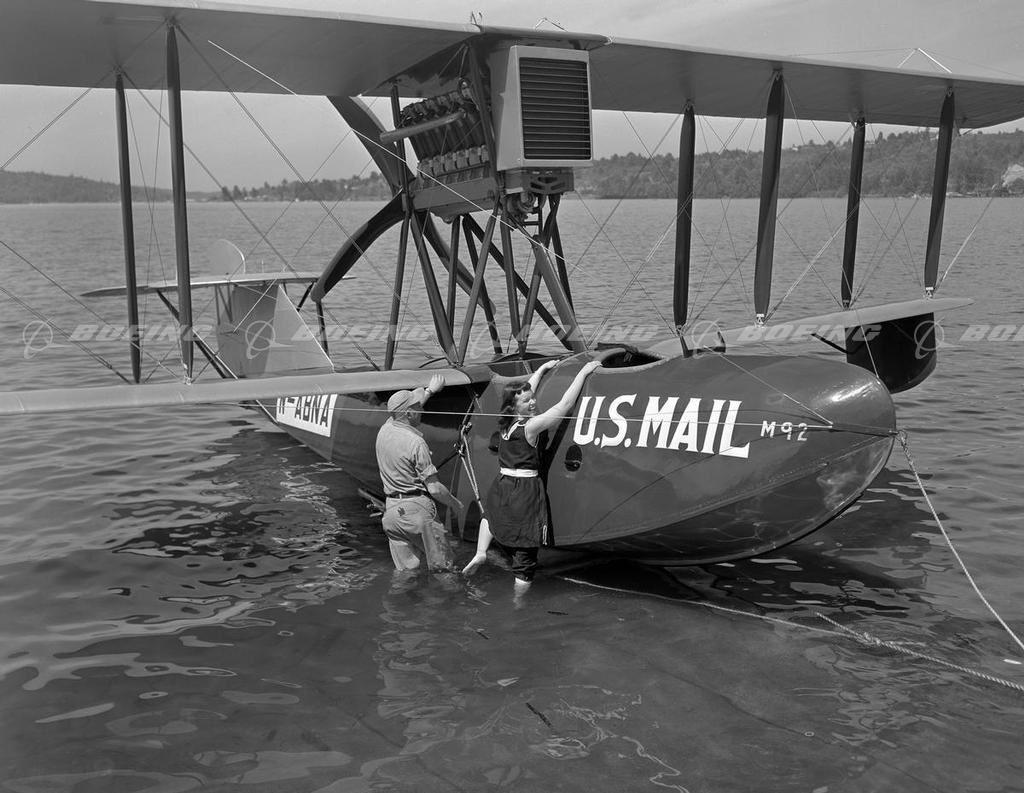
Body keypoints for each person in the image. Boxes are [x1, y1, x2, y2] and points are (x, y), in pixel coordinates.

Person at [462, 358, 602, 590]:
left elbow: (525, 392)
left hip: (503, 482)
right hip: (524, 489)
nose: (533, 402)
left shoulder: (506, 422)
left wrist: (540, 371)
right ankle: (518, 602)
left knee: (491, 515)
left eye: (532, 398)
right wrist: (585, 372)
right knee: (526, 549)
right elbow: (564, 405)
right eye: (527, 401)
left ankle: (481, 552)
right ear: (515, 406)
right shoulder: (530, 427)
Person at [375, 374, 463, 572]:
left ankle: (401, 593)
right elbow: (435, 488)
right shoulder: (416, 442)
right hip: (416, 512)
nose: (422, 410)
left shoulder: (385, 429)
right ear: (409, 413)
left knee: (408, 573)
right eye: (417, 407)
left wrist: (430, 390)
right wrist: (455, 503)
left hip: (392, 513)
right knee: (445, 569)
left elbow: (400, 413)